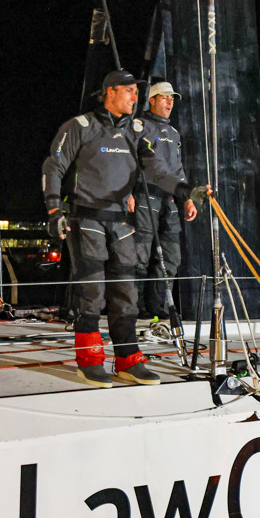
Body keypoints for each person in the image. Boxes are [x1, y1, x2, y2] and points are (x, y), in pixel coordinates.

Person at [42, 68, 204, 387]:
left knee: (126, 294)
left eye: (137, 93)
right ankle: (89, 362)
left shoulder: (134, 132)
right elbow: (53, 166)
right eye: (130, 92)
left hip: (121, 221)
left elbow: (155, 168)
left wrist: (186, 191)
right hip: (86, 218)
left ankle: (128, 360)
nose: (136, 98)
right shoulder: (81, 126)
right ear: (111, 92)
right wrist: (52, 209)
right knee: (92, 294)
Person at [136, 81, 197, 320]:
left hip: (168, 200)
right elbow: (129, 162)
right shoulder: (139, 126)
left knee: (172, 256)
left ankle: (158, 306)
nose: (170, 101)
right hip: (144, 195)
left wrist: (187, 198)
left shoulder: (173, 133)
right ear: (151, 100)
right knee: (141, 254)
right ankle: (137, 307)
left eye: (172, 98)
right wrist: (128, 194)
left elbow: (178, 169)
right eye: (164, 97)